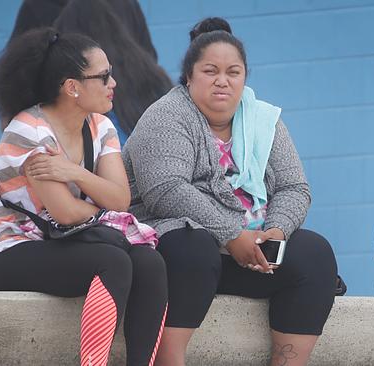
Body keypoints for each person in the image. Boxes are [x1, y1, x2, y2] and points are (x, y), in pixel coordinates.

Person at [122, 18, 338, 366]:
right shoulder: (165, 116)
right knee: (193, 245)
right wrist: (231, 234)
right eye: (210, 71)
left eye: (233, 72)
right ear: (189, 76)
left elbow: (294, 188)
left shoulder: (264, 121)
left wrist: (276, 232)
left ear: (244, 78)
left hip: (249, 253)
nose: (222, 81)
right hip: (176, 254)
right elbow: (166, 191)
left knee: (314, 253)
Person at [0, 27, 167, 366]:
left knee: (150, 262)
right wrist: (98, 197)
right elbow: (66, 213)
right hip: (13, 250)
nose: (114, 84)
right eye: (104, 76)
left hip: (69, 241)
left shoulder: (101, 126)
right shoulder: (28, 131)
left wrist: (74, 172)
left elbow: (121, 200)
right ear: (72, 88)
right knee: (113, 260)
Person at [54, 0, 173, 142]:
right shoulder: (154, 76)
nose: (113, 83)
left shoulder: (101, 120)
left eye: (108, 74)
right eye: (104, 75)